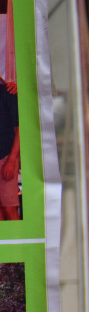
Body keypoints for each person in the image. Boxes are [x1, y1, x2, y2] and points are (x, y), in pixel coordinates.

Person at [0, 75, 20, 221]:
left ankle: (22, 237)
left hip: (5, 157)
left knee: (9, 208)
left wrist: (12, 160)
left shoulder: (7, 92)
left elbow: (20, 129)